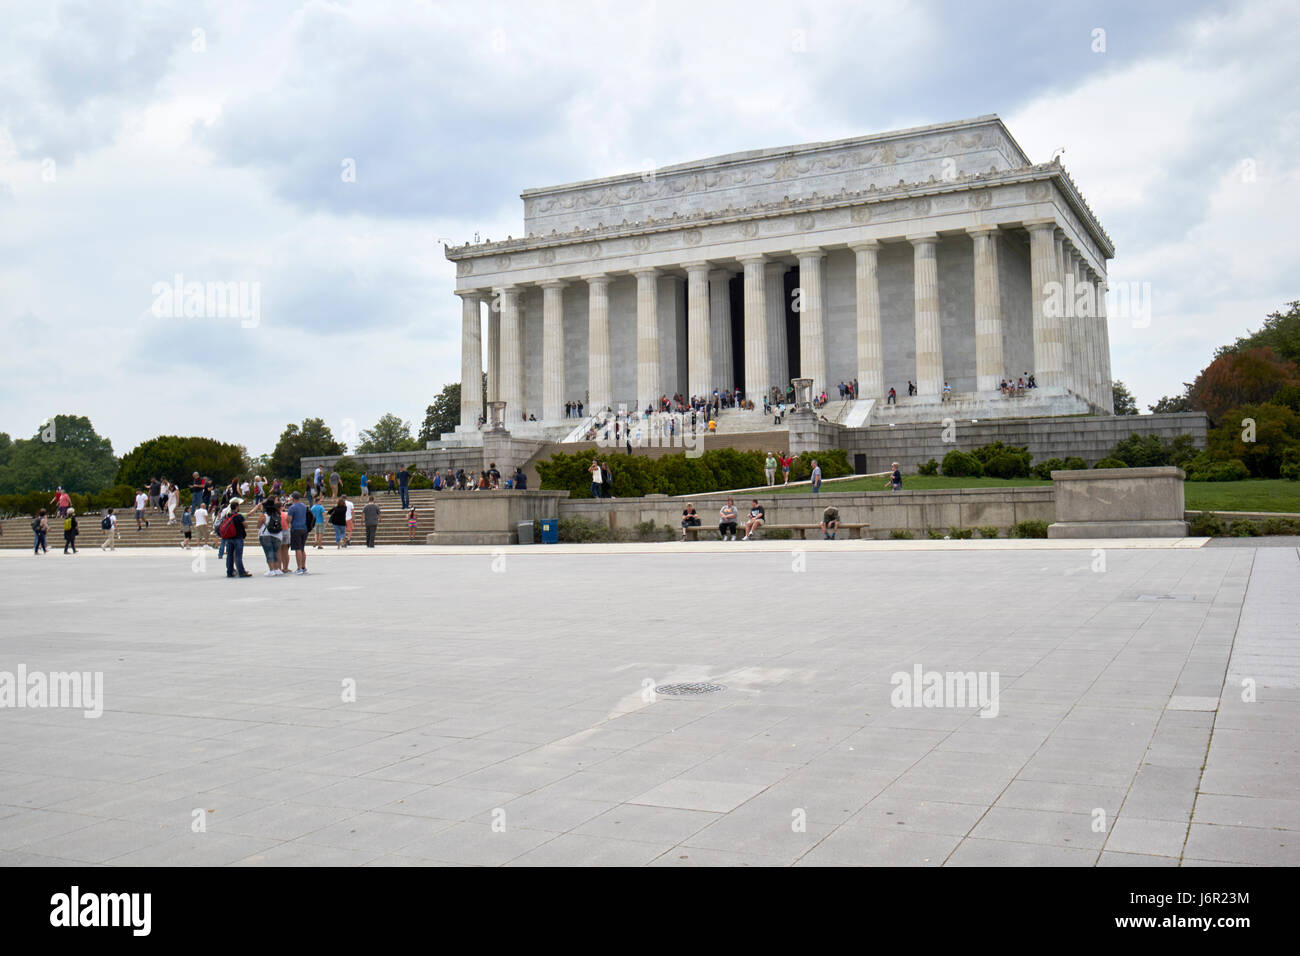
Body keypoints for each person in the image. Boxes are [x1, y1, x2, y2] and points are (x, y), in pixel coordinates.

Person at [222, 501, 252, 577]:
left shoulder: (227, 515)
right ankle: (241, 572)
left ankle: (230, 572)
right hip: (238, 537)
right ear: (237, 507)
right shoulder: (239, 516)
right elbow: (245, 525)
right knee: (238, 556)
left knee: (229, 555)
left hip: (229, 537)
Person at [257, 498, 284, 576]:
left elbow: (258, 526)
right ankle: (277, 569)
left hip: (265, 535)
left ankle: (271, 570)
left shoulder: (264, 515)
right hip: (277, 535)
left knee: (269, 552)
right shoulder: (277, 514)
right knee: (275, 552)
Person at [286, 491, 310, 573]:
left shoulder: (292, 507)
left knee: (298, 549)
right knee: (302, 548)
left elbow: (289, 519)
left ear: (293, 498)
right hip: (304, 528)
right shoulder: (304, 506)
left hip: (296, 529)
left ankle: (299, 568)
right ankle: (303, 567)